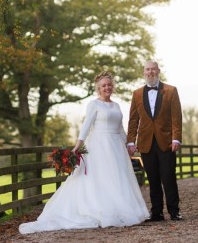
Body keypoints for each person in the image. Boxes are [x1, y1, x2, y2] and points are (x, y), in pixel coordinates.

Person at [19, 71, 149, 234]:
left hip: (116, 147)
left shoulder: (116, 106)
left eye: (109, 85)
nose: (107, 88)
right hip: (99, 145)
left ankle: (118, 210)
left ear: (113, 87)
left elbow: (120, 128)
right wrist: (77, 146)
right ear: (98, 88)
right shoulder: (94, 104)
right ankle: (100, 211)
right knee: (101, 178)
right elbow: (86, 126)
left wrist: (130, 144)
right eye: (103, 86)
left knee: (117, 178)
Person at [127, 60, 183, 222]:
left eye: (153, 69)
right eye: (147, 69)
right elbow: (133, 120)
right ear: (143, 72)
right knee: (153, 179)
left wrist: (176, 138)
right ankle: (157, 212)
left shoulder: (171, 91)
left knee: (168, 177)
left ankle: (174, 211)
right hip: (146, 142)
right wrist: (131, 141)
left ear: (158, 71)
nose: (150, 72)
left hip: (166, 141)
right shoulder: (137, 94)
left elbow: (176, 117)